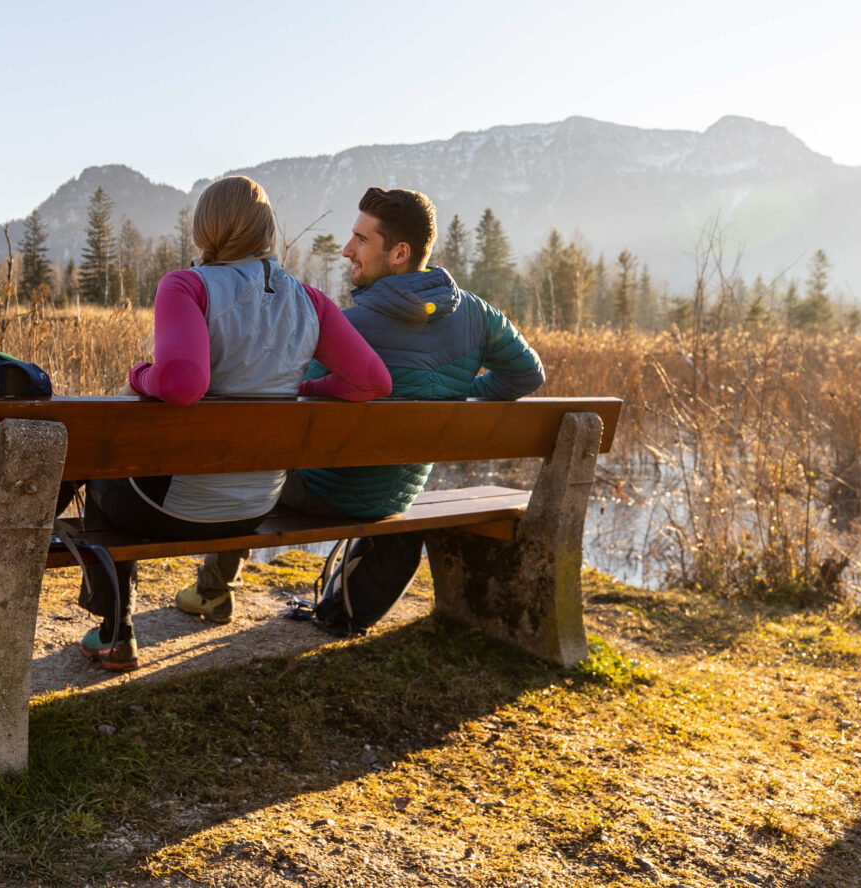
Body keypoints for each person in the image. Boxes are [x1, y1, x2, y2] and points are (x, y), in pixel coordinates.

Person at [175, 186, 545, 633]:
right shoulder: (478, 315)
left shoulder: (343, 326)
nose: (347, 249)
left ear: (399, 253)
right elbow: (527, 375)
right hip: (395, 496)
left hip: (324, 493)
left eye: (361, 240)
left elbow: (280, 400)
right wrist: (462, 395)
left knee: (254, 460)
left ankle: (214, 590)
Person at [77, 175, 393, 670]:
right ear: (266, 229)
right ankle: (143, 616)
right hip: (253, 508)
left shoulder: (187, 285)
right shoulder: (311, 302)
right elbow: (374, 381)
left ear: (206, 231)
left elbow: (183, 383)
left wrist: (140, 375)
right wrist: (302, 390)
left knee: (104, 462)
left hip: (168, 506)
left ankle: (116, 631)